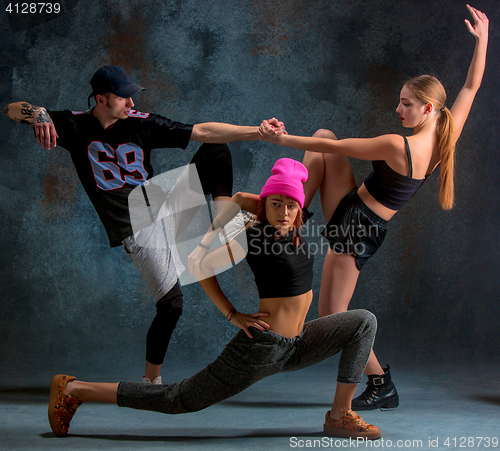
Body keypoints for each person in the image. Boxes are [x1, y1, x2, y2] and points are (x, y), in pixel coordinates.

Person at [48, 158, 381, 440]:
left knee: (363, 322)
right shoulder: (253, 234)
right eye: (275, 203)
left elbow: (247, 196)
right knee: (178, 398)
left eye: (290, 205)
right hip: (262, 347)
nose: (283, 211)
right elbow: (200, 265)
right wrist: (232, 312)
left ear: (299, 210)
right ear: (264, 205)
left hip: (298, 345)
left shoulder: (293, 225)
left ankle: (339, 415)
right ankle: (75, 389)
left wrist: (280, 196)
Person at [258, 5, 488, 410]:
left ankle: (382, 383)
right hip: (352, 206)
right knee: (322, 134)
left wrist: (280, 141)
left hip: (357, 230)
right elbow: (469, 88)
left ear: (427, 109)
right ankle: (290, 221)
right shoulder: (445, 135)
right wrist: (484, 39)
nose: (398, 110)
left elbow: (337, 148)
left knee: (333, 312)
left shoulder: (399, 145)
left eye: (406, 105)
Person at [3, 65, 285, 385]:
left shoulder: (142, 124)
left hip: (163, 203)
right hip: (137, 228)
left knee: (214, 151)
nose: (131, 104)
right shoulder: (73, 125)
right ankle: (151, 383)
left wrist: (256, 131)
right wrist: (39, 113)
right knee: (171, 306)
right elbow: (10, 109)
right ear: (101, 99)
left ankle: (222, 228)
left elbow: (204, 132)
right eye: (123, 99)